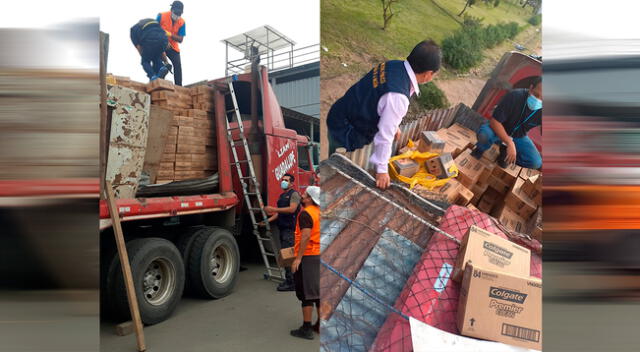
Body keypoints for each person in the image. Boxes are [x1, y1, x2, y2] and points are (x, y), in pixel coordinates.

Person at [327, 40, 442, 190]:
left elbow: (379, 99)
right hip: (346, 130)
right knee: (337, 168)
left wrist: (393, 124)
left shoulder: (394, 65)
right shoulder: (398, 96)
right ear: (428, 74)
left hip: (342, 112)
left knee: (335, 159)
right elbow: (385, 137)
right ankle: (331, 181)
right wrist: (382, 170)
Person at [471, 77, 542, 169]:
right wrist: (509, 142)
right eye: (536, 95)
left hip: (518, 136)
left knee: (535, 162)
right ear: (531, 88)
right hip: (498, 128)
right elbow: (495, 121)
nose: (538, 100)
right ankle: (479, 150)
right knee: (485, 135)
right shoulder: (515, 96)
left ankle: (505, 156)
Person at [289, 185, 321, 340]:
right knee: (317, 293)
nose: (302, 196)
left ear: (309, 199)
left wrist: (298, 258)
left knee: (306, 294)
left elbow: (306, 236)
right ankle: (320, 325)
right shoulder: (319, 211)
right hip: (319, 254)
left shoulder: (305, 214)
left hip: (308, 257)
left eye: (304, 194)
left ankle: (306, 328)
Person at [263, 173, 301, 292]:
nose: (283, 182)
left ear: (291, 183)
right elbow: (279, 213)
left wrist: (273, 209)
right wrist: (267, 221)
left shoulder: (294, 195)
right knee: (285, 256)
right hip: (283, 228)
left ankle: (292, 283)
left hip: (289, 230)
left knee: (288, 257)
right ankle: (290, 280)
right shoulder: (282, 195)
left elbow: (292, 209)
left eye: (286, 180)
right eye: (283, 180)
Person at [157, 1, 186, 86]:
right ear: (171, 10)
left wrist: (169, 34)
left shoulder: (182, 22)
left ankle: (179, 86)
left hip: (173, 47)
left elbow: (180, 39)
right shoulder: (161, 16)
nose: (177, 16)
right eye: (176, 13)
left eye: (179, 14)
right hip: (160, 43)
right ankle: (160, 76)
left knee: (177, 65)